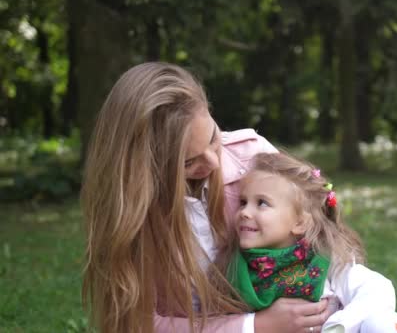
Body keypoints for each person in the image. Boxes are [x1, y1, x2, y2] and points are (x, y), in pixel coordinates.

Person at [81, 62, 332, 332]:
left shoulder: (253, 157)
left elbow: (323, 238)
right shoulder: (131, 218)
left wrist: (336, 301)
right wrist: (254, 326)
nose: (214, 161)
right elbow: (138, 325)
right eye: (188, 162)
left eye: (213, 136)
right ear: (145, 168)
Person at [218, 152, 397, 332]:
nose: (244, 212)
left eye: (262, 203)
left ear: (300, 222)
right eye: (243, 202)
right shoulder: (234, 267)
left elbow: (378, 289)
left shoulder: (324, 258)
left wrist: (339, 325)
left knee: (384, 322)